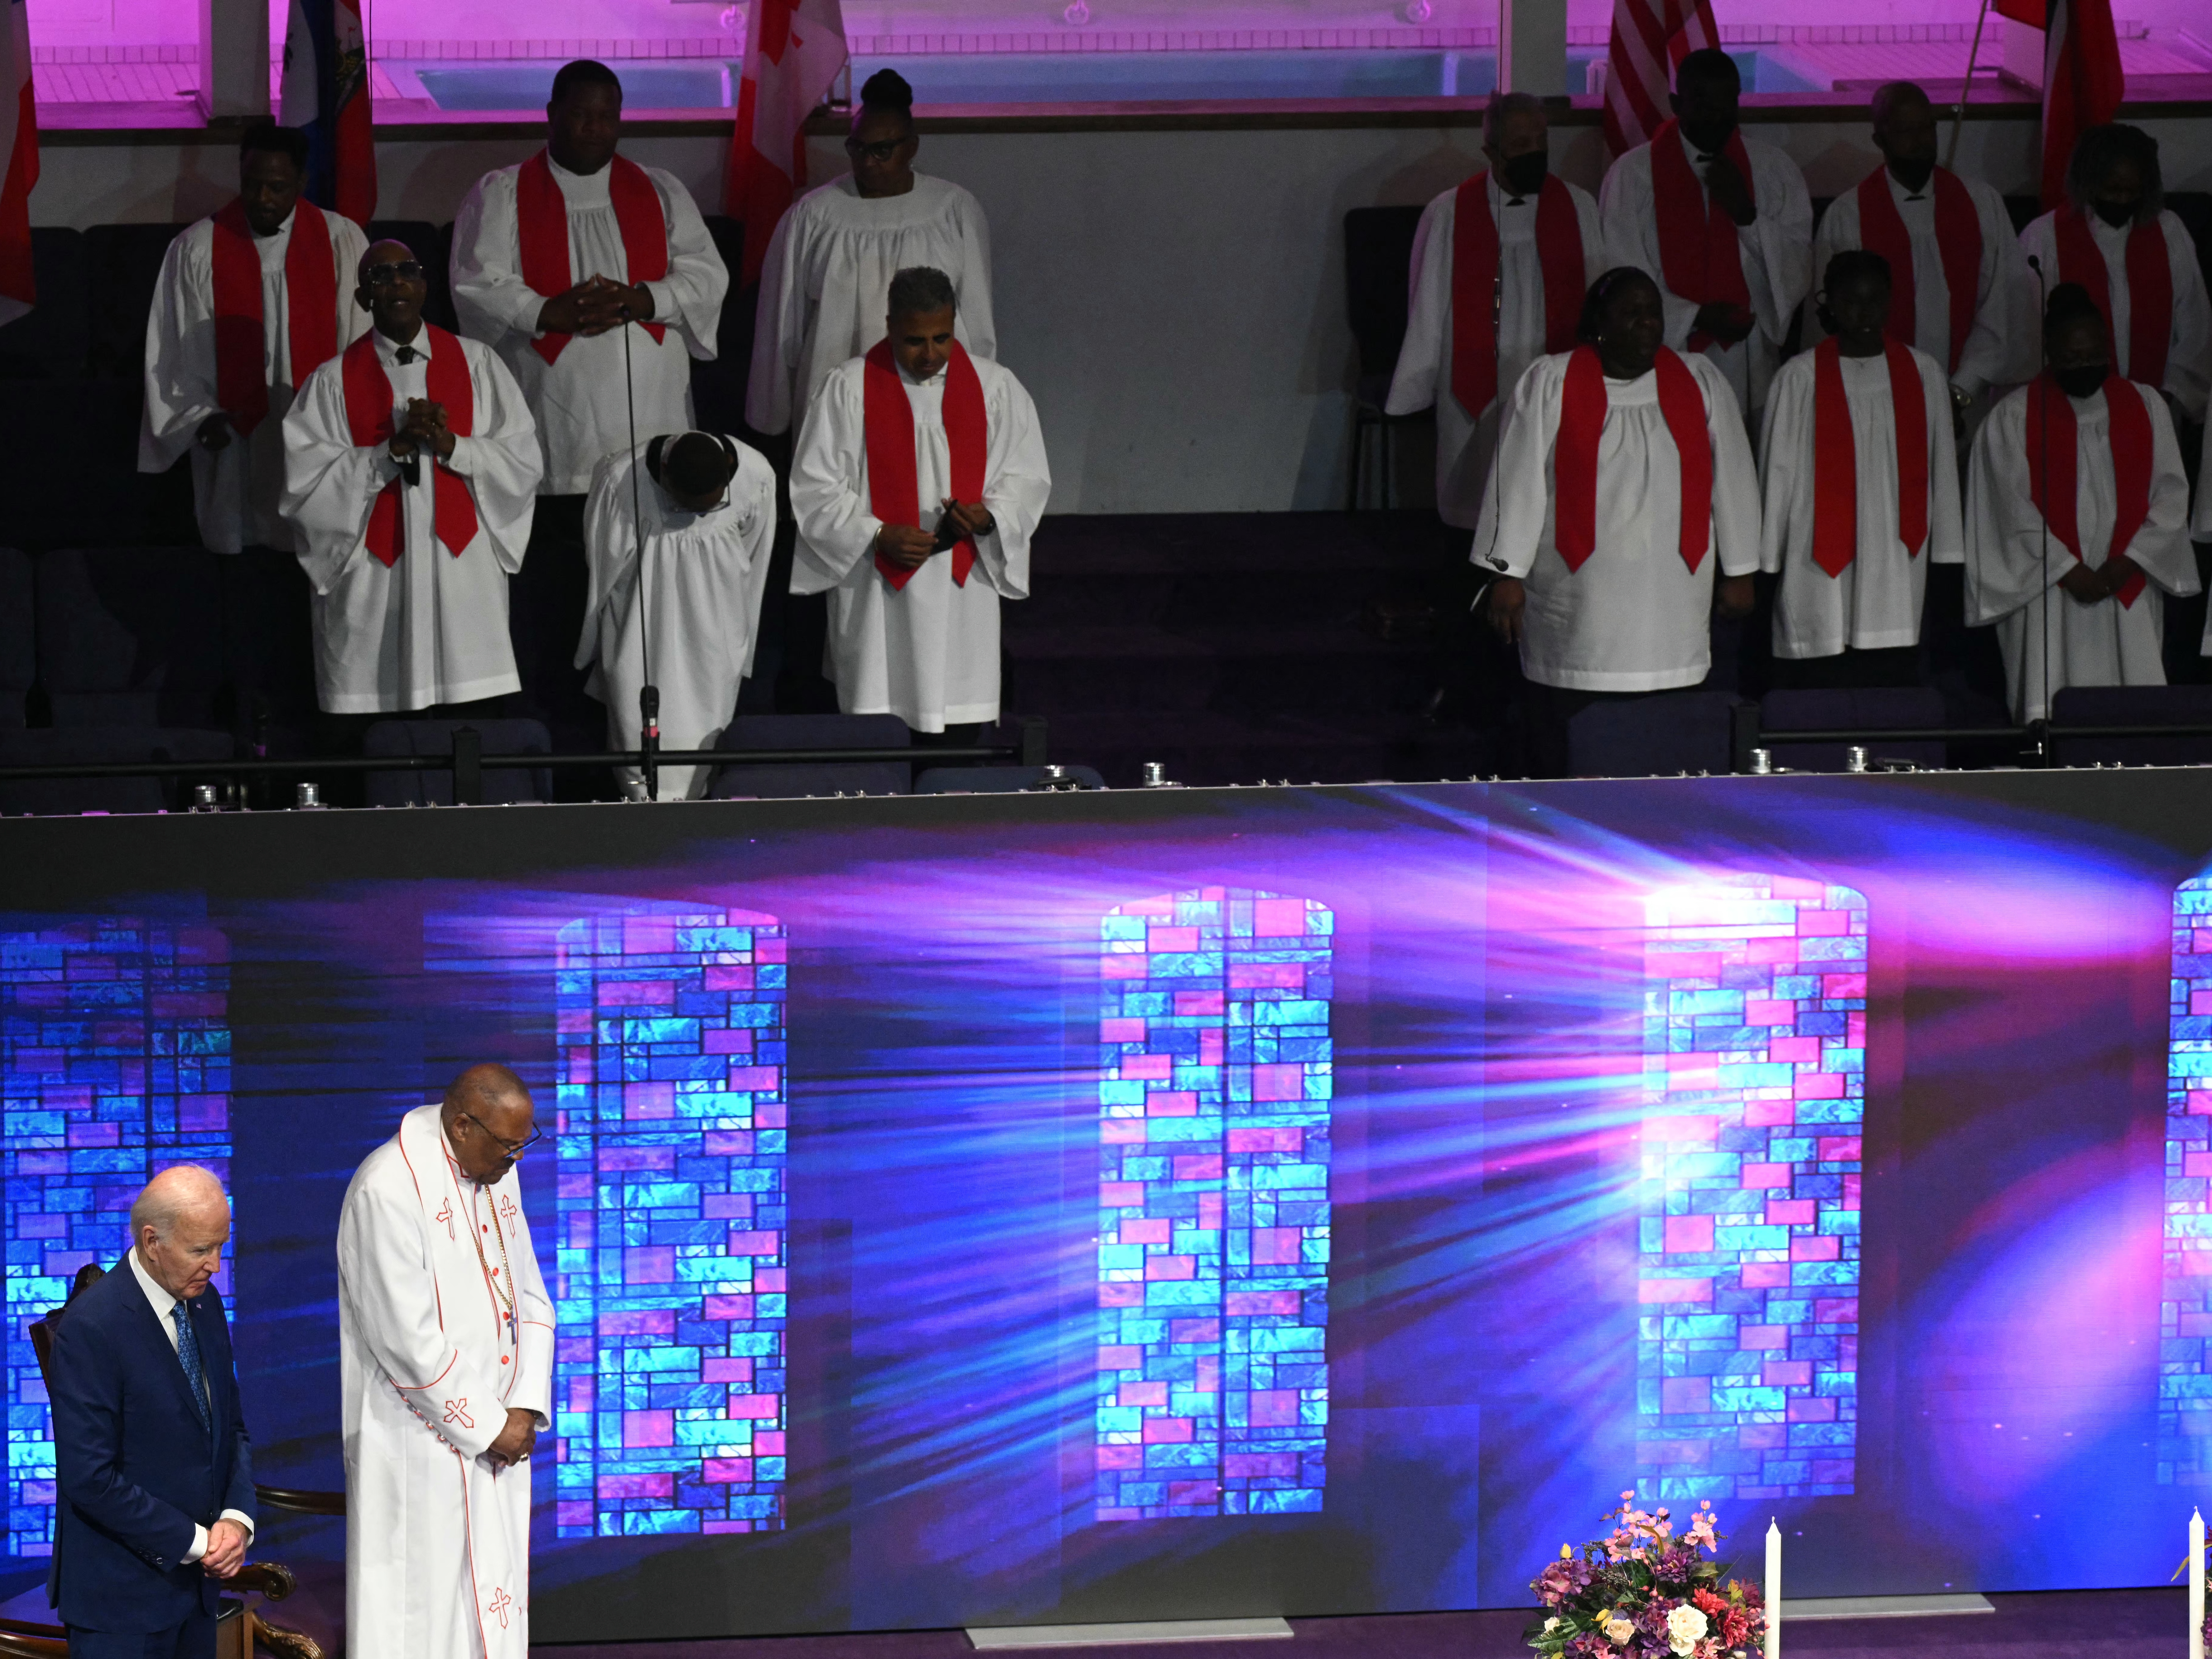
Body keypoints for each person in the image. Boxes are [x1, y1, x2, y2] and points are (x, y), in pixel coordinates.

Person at [450, 59, 729, 754]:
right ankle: (554, 752)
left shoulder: (659, 193)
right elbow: (476, 284)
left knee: (642, 621)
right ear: (550, 112)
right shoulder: (506, 194)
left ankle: (641, 751)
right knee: (557, 612)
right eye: (580, 114)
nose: (594, 128)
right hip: (556, 456)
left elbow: (706, 275)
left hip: (650, 450)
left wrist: (644, 299)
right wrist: (550, 308)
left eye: (607, 115)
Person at [1476, 267, 1762, 777]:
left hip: (1670, 593)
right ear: (1597, 324)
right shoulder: (1551, 380)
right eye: (1631, 314)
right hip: (1577, 592)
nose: (1648, 325)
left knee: (1658, 733)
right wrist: (1506, 574)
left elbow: (1733, 475)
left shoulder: (1697, 379)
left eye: (1652, 313)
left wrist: (1740, 569)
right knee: (1568, 727)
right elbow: (1517, 478)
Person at [337, 1064, 552, 1659]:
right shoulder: (386, 1189)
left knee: (492, 1613)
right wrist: (491, 1426)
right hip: (420, 1445)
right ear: (462, 1125)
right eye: (508, 1144)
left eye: (523, 1142)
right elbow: (407, 1341)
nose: (517, 1158)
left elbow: (530, 1296)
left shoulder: (496, 1173)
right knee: (424, 1624)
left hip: (501, 1441)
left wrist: (526, 1406)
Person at [281, 240, 544, 720]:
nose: (396, 282)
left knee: (467, 724)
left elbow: (523, 463)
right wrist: (391, 452)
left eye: (407, 270)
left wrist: (452, 446)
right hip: (375, 574)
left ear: (424, 286)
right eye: (380, 276)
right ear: (363, 298)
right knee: (381, 723)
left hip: (460, 570)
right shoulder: (332, 381)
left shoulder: (478, 363)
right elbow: (306, 490)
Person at [790, 266, 1050, 744]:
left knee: (957, 741)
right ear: (889, 326)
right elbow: (814, 486)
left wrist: (989, 516)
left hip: (962, 591)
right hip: (877, 588)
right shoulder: (849, 388)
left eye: (941, 338)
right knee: (876, 731)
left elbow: (1026, 478)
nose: (930, 355)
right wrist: (876, 533)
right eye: (914, 341)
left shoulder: (995, 389)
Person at [47, 1166, 256, 1659]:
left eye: (221, 1246)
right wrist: (198, 1542)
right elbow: (90, 1478)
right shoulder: (92, 1326)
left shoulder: (206, 1307)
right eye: (201, 1249)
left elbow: (233, 1428)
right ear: (151, 1241)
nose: (215, 1265)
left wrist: (236, 1517)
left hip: (196, 1597)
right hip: (121, 1604)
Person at [1965, 283, 2196, 722]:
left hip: (2125, 582)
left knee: (2132, 711)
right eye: (2072, 358)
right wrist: (2066, 569)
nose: (2084, 365)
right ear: (2049, 351)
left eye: (2093, 355)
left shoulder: (2145, 406)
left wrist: (2128, 561)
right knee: (2050, 702)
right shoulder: (2013, 418)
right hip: (2046, 589)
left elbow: (2170, 494)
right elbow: (2006, 509)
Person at [140, 123, 373, 558]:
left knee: (314, 551)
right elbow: (171, 351)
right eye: (252, 185)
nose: (262, 199)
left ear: (302, 183)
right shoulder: (197, 249)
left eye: (277, 187)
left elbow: (362, 342)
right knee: (241, 552)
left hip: (318, 440)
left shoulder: (342, 241)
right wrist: (196, 419)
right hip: (234, 442)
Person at [1384, 91, 1606, 529]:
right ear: (1490, 151)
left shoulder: (1576, 205)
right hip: (1476, 376)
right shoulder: (1449, 213)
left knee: (1551, 491)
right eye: (1520, 146)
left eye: (1540, 142)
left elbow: (1600, 291)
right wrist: (1417, 383)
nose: (1535, 154)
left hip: (1552, 363)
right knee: (1478, 491)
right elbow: (1427, 303)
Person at [748, 68, 995, 441]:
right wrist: (773, 413)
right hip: (836, 400)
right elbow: (782, 320)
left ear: (911, 147)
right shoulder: (814, 216)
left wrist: (983, 395)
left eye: (882, 150)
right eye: (857, 148)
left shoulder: (953, 210)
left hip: (930, 401)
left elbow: (977, 321)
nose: (867, 162)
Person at [1759, 252, 1964, 685]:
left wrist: (1947, 550)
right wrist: (1766, 558)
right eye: (1851, 300)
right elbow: (1775, 473)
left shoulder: (1922, 372)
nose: (1864, 312)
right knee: (1819, 653)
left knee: (1888, 670)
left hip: (1895, 548)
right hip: (1815, 550)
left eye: (1874, 300)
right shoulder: (1800, 378)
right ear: (1829, 303)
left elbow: (1941, 469)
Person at [1597, 48, 1812, 425]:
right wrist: (1695, 317)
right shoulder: (1632, 175)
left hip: (1748, 358)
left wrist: (1746, 213)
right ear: (1676, 103)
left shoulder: (1773, 170)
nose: (1713, 114)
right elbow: (1622, 268)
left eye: (1724, 102)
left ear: (1738, 101)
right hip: (1666, 349)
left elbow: (1797, 263)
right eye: (1701, 101)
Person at [1808, 82, 2031, 432]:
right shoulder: (1848, 215)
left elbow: (2003, 303)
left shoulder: (1981, 204)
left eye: (1927, 127)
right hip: (1876, 403)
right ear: (1879, 140)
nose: (1921, 140)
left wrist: (1959, 392)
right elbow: (1831, 320)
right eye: (1906, 131)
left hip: (1965, 405)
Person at [579, 428, 779, 798]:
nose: (697, 516)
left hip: (715, 633)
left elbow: (754, 558)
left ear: (730, 468)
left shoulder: (757, 475)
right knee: (636, 739)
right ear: (666, 473)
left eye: (709, 507)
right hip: (641, 631)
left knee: (705, 745)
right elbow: (601, 563)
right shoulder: (622, 479)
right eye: (687, 504)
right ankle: (641, 814)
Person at [2018, 124, 2212, 429]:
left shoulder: (2169, 232)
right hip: (2070, 414)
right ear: (2089, 183)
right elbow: (2029, 330)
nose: (2122, 200)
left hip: (2154, 412)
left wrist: (2170, 394)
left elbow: (2195, 326)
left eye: (2131, 191)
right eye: (2112, 190)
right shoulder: (2045, 237)